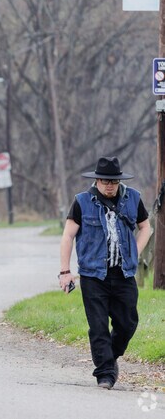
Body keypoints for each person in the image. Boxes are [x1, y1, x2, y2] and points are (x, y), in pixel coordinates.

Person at [59, 156, 151, 390]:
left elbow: (145, 227)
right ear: (97, 180)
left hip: (124, 273)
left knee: (128, 323)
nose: (109, 185)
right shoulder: (81, 202)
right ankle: (105, 374)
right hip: (93, 275)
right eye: (104, 180)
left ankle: (109, 357)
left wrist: (135, 252)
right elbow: (68, 236)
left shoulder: (133, 198)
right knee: (98, 326)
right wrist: (65, 272)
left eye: (113, 181)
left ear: (119, 181)